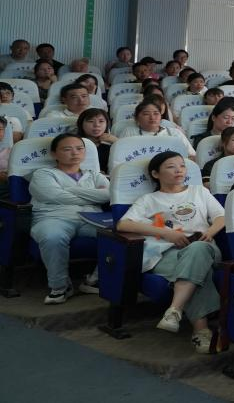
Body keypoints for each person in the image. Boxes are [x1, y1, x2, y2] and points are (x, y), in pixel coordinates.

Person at [115, 152, 223, 353]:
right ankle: (201, 330)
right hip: (167, 252)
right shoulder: (149, 199)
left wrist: (209, 232)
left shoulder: (199, 191)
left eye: (182, 166)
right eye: (171, 167)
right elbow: (123, 224)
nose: (179, 170)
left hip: (204, 245)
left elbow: (221, 217)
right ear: (155, 174)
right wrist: (166, 233)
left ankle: (175, 309)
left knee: (197, 250)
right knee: (199, 271)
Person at [29, 133, 108, 303]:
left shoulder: (94, 175)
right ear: (54, 154)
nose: (75, 153)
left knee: (120, 235)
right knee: (52, 237)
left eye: (79, 149)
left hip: (92, 218)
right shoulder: (43, 174)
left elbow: (108, 195)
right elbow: (54, 196)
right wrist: (93, 196)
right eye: (67, 149)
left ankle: (94, 280)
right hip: (53, 217)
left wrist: (70, 190)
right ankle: (60, 287)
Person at [122, 101, 196, 157]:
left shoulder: (174, 133)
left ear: (161, 117)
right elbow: (121, 156)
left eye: (156, 113)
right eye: (146, 114)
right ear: (137, 118)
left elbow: (191, 156)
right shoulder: (129, 132)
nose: (152, 117)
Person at [75, 108, 116, 173]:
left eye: (101, 121)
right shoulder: (74, 143)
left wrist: (117, 142)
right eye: (91, 121)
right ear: (81, 124)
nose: (97, 125)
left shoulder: (112, 143)